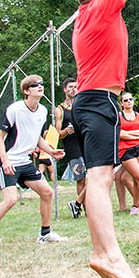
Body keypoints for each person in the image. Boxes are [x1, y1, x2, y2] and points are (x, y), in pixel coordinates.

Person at [69, 0, 139, 278]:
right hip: (99, 101)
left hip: (87, 102)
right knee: (100, 179)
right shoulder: (101, 8)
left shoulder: (85, 12)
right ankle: (108, 254)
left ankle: (103, 252)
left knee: (97, 178)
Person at [0, 74, 67, 254]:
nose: (40, 86)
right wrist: (5, 161)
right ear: (26, 91)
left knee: (47, 192)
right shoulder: (15, 109)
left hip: (25, 162)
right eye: (35, 85)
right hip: (7, 160)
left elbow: (37, 138)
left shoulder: (42, 111)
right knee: (11, 199)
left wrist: (51, 151)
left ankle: (45, 234)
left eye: (41, 84)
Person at [54, 77, 87, 219]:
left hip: (86, 144)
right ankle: (84, 208)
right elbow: (57, 134)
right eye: (70, 87)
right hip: (73, 147)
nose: (74, 89)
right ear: (65, 90)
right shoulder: (59, 110)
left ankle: (79, 204)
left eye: (76, 87)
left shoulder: (82, 105)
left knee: (94, 176)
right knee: (81, 179)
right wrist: (66, 131)